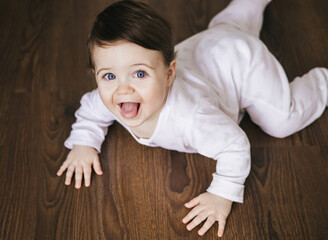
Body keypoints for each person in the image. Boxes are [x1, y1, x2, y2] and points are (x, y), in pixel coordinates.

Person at [57, 0, 328, 237]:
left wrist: (221, 193)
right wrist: (83, 143)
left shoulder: (192, 117)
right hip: (210, 48)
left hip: (243, 65)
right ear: (96, 75)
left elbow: (235, 146)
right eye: (108, 76)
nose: (122, 89)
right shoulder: (110, 98)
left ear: (169, 74)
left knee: (280, 122)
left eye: (139, 74)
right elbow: (89, 112)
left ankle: (323, 82)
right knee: (229, 30)